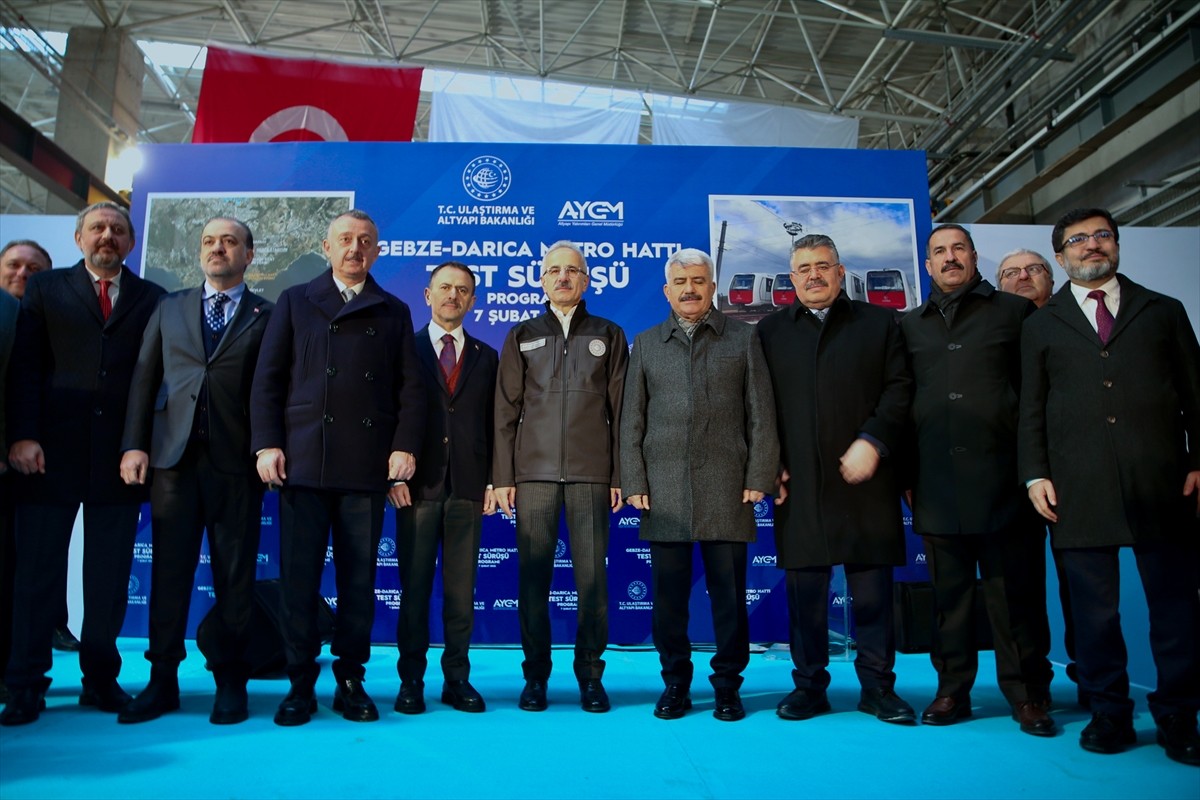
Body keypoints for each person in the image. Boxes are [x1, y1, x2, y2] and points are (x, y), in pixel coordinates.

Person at [1019, 207, 1200, 764]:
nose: (1091, 246)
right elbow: (1032, 408)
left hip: (1164, 481)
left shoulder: (1163, 311)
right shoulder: (1040, 325)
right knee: (1094, 614)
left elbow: (1197, 389)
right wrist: (1035, 473)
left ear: (1116, 245)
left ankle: (1177, 717)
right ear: (1060, 255)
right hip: (1077, 485)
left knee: (1174, 609)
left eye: (1101, 236)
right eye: (1078, 240)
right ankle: (1109, 713)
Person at [250, 209, 425, 726]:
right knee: (299, 581)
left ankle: (351, 677)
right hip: (302, 463)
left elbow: (410, 390)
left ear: (377, 252)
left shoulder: (393, 310)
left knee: (358, 582)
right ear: (326, 248)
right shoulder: (294, 301)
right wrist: (266, 445)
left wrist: (404, 448)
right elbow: (268, 381)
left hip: (365, 467)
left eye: (365, 241)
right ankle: (299, 681)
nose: (355, 248)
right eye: (345, 240)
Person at [0, 202, 165, 726]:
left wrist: (138, 444)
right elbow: (24, 368)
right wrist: (22, 435)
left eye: (118, 230)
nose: (107, 236)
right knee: (37, 575)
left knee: (109, 576)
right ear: (79, 238)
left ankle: (100, 678)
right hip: (47, 454)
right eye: (97, 228)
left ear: (131, 242)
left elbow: (151, 382)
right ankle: (26, 682)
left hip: (120, 458)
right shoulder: (45, 291)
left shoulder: (152, 298)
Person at [116, 217, 273, 725]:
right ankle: (162, 680)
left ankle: (231, 680)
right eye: (209, 241)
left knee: (234, 577)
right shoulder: (170, 307)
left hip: (237, 465)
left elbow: (273, 390)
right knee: (168, 576)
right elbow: (145, 378)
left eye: (229, 242)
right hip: (172, 463)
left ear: (249, 254)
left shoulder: (267, 314)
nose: (217, 249)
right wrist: (133, 446)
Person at [899, 223, 1054, 736]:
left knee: (1014, 597)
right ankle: (952, 691)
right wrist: (905, 474)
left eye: (957, 249)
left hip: (1007, 481)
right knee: (951, 599)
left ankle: (1027, 694)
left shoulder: (1013, 312)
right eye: (939, 252)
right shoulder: (909, 325)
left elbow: (1036, 399)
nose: (949, 258)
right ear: (926, 265)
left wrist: (1036, 470)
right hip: (936, 482)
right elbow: (900, 405)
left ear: (973, 256)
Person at [757, 234, 914, 724]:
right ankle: (808, 687)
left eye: (822, 266)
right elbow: (759, 407)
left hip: (868, 479)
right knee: (805, 596)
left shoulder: (881, 322)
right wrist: (770, 462)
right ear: (791, 276)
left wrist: (874, 440)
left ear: (840, 271)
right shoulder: (769, 331)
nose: (813, 276)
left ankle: (878, 688)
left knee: (871, 593)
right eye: (802, 269)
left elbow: (901, 389)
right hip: (798, 480)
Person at [621, 248, 776, 721]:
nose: (689, 289)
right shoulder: (646, 344)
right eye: (680, 281)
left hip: (729, 487)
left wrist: (758, 474)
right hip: (662, 490)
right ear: (666, 290)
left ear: (713, 287)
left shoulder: (744, 339)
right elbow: (632, 420)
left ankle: (727, 685)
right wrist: (633, 479)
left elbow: (761, 413)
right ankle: (675, 684)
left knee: (729, 598)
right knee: (669, 601)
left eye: (698, 280)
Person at [493, 240, 627, 713]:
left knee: (592, 581)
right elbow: (505, 412)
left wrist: (618, 475)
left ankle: (591, 676)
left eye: (573, 271)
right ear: (542, 278)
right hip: (534, 477)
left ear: (587, 280)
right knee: (533, 581)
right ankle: (535, 678)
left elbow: (622, 411)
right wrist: (503, 476)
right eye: (555, 270)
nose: (564, 277)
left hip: (593, 476)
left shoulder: (609, 334)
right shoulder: (521, 334)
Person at [393, 261, 498, 715]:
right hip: (415, 489)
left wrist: (495, 479)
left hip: (469, 489)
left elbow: (497, 426)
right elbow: (388, 418)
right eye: (444, 288)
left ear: (473, 300)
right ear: (427, 295)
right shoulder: (404, 350)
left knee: (461, 593)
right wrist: (393, 474)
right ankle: (411, 681)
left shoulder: (487, 356)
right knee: (414, 592)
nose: (453, 295)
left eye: (462, 290)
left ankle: (457, 679)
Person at [996, 246, 1080, 698]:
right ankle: (1033, 687)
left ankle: (1092, 679)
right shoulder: (994, 332)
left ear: (1053, 276)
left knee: (1081, 584)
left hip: (1075, 473)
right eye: (1010, 272)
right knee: (1021, 589)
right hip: (1013, 478)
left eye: (1033, 269)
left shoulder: (1077, 324)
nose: (1022, 277)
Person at [0, 241, 77, 657]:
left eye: (34, 268)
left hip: (40, 463)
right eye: (14, 265)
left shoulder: (53, 322)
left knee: (36, 562)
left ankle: (40, 637)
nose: (23, 273)